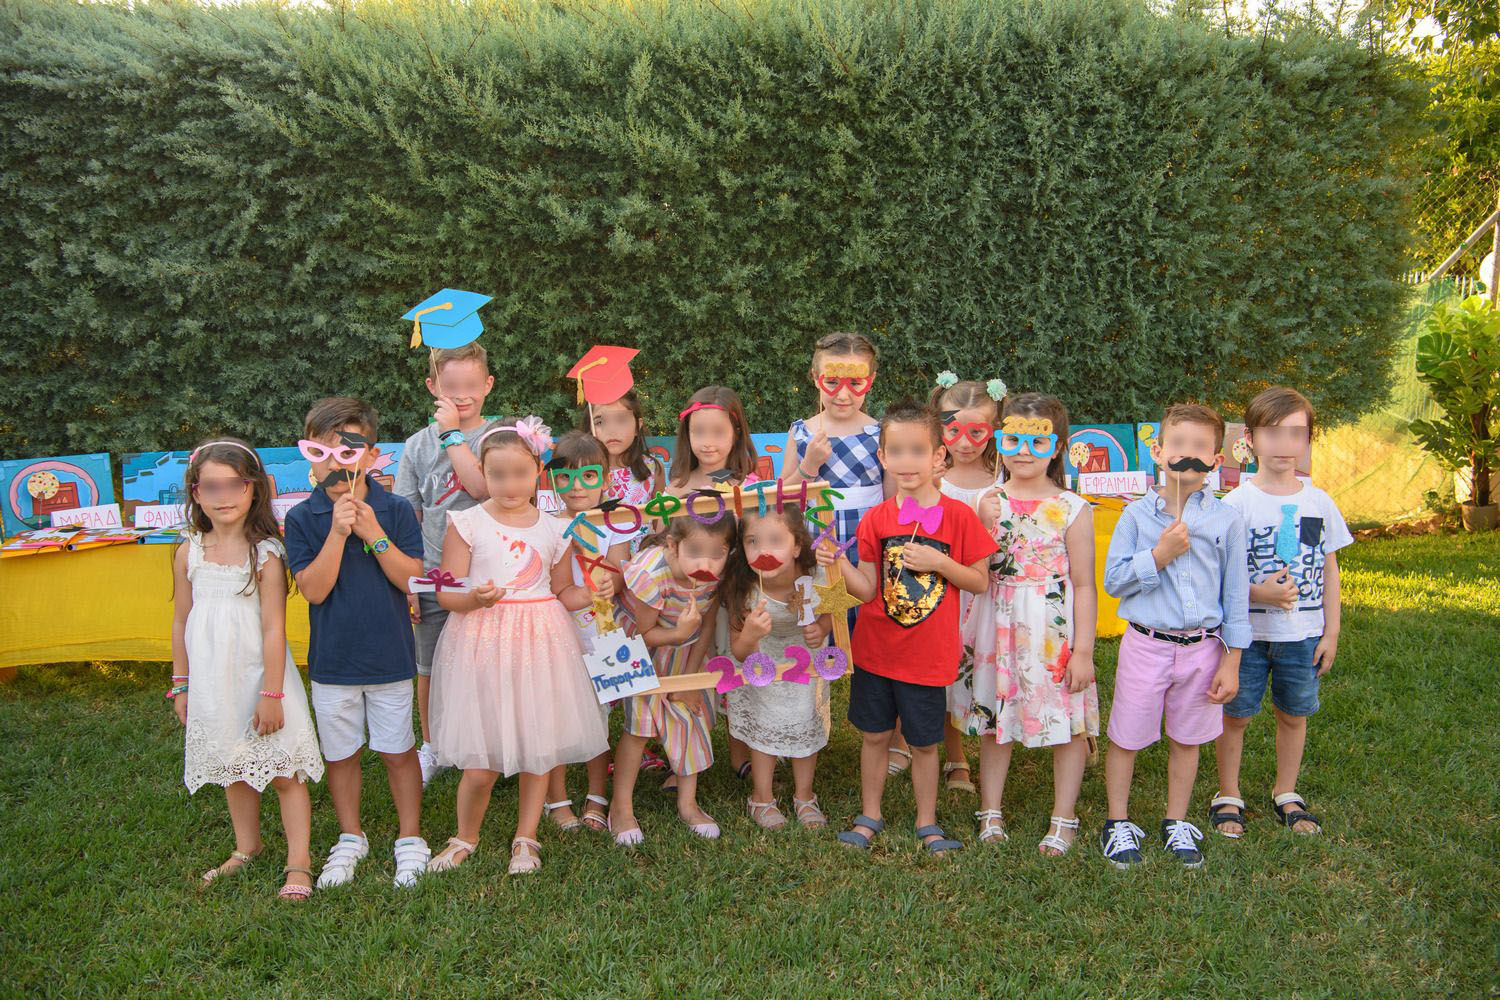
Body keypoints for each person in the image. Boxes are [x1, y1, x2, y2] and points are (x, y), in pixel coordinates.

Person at [424, 417, 609, 876]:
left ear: (538, 473)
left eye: (520, 474)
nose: (510, 485)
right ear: (482, 474)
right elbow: (446, 593)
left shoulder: (555, 529)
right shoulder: (466, 522)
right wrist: (474, 598)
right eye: (498, 475)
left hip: (541, 641)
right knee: (481, 757)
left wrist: (592, 592)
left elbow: (562, 591)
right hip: (482, 641)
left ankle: (527, 835)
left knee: (537, 746)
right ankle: (465, 835)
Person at [818, 400, 997, 856]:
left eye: (917, 451)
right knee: (875, 735)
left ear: (938, 456)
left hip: (927, 655)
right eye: (896, 451)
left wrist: (939, 562)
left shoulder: (958, 517)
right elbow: (866, 590)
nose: (907, 461)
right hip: (877, 650)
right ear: (882, 457)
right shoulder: (876, 519)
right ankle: (869, 814)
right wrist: (838, 563)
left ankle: (927, 821)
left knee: (923, 742)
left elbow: (979, 581)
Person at [283, 397, 430, 888]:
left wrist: (373, 533)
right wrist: (337, 532)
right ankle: (351, 836)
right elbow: (314, 590)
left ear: (370, 454)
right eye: (322, 452)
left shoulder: (396, 509)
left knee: (398, 750)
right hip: (333, 660)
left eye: (347, 451)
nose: (335, 464)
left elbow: (411, 579)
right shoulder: (302, 517)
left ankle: (410, 837)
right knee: (341, 754)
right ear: (310, 455)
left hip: (390, 656)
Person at [171, 438, 324, 900]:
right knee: (231, 764)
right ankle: (246, 846)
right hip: (213, 680)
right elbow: (181, 620)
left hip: (261, 677)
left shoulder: (265, 554)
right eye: (211, 486)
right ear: (196, 493)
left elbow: (274, 629)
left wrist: (272, 694)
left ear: (253, 489)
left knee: (283, 770)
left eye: (234, 485)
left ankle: (299, 861)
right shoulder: (188, 551)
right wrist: (181, 684)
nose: (223, 496)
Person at [1101, 403, 1249, 869]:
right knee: (1127, 735)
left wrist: (1231, 662)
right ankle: (1118, 821)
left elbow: (1236, 596)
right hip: (1146, 645)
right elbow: (1114, 581)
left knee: (1189, 738)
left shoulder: (1227, 520)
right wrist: (1159, 555)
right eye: (1178, 444)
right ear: (1158, 452)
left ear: (1217, 459)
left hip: (1203, 649)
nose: (1188, 454)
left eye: (1200, 447)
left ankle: (1176, 820)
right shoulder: (1135, 517)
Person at [963, 393, 1099, 855]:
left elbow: (1085, 584)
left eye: (1037, 443)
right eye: (1014, 440)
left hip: (1051, 631)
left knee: (1067, 719)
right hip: (997, 620)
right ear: (1000, 441)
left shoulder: (1073, 508)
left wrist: (1083, 651)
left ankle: (1064, 815)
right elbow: (976, 566)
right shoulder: (986, 502)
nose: (1023, 452)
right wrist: (981, 523)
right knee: (994, 719)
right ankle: (990, 809)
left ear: (1056, 447)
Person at [1213, 387, 1350, 838]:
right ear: (1250, 439)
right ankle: (1228, 793)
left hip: (1303, 634)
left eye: (1296, 433)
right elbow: (1220, 576)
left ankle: (1286, 790)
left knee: (1294, 714)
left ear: (1309, 440)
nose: (1284, 444)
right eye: (1272, 433)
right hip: (1246, 636)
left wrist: (1331, 633)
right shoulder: (1236, 505)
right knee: (1237, 715)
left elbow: (1328, 568)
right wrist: (1260, 593)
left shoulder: (1318, 503)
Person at [780, 333, 893, 772]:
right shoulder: (802, 432)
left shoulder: (880, 433)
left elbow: (891, 499)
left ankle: (891, 735)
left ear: (871, 381)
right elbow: (784, 499)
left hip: (866, 553)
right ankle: (800, 731)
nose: (843, 394)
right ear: (815, 378)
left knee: (878, 638)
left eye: (855, 383)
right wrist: (809, 465)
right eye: (832, 382)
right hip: (816, 553)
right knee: (813, 635)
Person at [394, 342, 497, 786]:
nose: (462, 395)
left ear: (488, 385)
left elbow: (483, 489)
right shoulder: (417, 446)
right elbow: (407, 519)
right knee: (430, 666)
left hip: (491, 575)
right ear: (432, 386)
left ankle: (490, 741)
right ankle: (433, 744)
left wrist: (453, 434)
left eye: (471, 385)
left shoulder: (499, 436)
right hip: (436, 575)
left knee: (490, 665)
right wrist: (411, 584)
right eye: (451, 386)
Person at [611, 516, 736, 845]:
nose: (705, 563)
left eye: (717, 553)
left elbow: (707, 625)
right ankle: (621, 808)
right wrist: (678, 634)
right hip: (641, 647)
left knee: (689, 716)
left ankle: (688, 803)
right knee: (640, 727)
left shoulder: (716, 573)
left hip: (686, 644)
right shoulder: (651, 576)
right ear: (672, 545)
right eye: (694, 551)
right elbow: (644, 633)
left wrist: (690, 680)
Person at [722, 506, 833, 830]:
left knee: (806, 718)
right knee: (764, 724)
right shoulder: (744, 585)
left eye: (775, 541)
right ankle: (762, 797)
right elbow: (739, 650)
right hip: (761, 659)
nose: (763, 551)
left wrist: (822, 627)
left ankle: (804, 796)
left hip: (804, 658)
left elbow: (833, 609)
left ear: (797, 546)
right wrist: (750, 633)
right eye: (752, 542)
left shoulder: (814, 574)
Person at [545, 430, 631, 833]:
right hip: (558, 634)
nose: (577, 486)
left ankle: (597, 796)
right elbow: (553, 588)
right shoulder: (547, 526)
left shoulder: (617, 523)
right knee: (557, 715)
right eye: (565, 477)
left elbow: (618, 573)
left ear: (606, 480)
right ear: (553, 481)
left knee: (599, 716)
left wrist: (599, 565)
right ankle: (557, 799)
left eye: (588, 476)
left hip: (603, 634)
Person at [929, 374, 1007, 795]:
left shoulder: (1006, 474)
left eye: (977, 432)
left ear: (994, 429)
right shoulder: (933, 478)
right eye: (953, 430)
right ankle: (956, 754)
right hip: (947, 594)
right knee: (947, 670)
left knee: (992, 667)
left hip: (997, 593)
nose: (964, 442)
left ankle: (1005, 734)